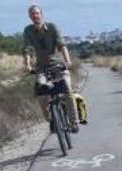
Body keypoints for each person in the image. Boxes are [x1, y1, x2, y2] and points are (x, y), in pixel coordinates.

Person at [22, 5, 79, 133]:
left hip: (58, 64)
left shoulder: (52, 27)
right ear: (29, 16)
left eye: (36, 13)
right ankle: (51, 119)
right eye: (32, 14)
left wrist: (68, 61)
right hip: (41, 66)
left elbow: (62, 45)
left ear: (41, 14)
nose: (34, 16)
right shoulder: (28, 31)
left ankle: (74, 122)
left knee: (67, 91)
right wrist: (28, 65)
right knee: (41, 92)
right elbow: (27, 50)